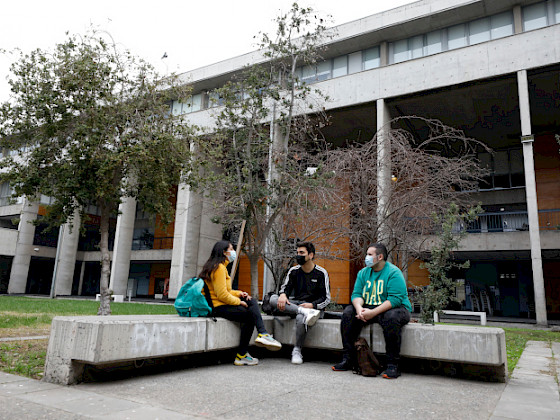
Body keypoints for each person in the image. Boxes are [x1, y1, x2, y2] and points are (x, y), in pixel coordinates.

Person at [332, 243, 411, 379]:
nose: (366, 258)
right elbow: (356, 295)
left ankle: (393, 365)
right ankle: (348, 359)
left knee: (391, 317)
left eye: (369, 255)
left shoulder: (393, 272)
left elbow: (395, 300)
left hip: (395, 309)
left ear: (380, 257)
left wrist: (373, 313)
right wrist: (359, 309)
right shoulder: (363, 273)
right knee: (348, 313)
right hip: (369, 307)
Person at [200, 240, 282, 366]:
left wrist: (239, 294)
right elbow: (222, 295)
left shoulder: (217, 266)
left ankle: (261, 335)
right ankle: (246, 350)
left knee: (250, 301)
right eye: (231, 249)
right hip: (217, 307)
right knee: (250, 314)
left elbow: (225, 291)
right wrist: (239, 302)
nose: (233, 252)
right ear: (224, 252)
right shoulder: (219, 268)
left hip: (219, 304)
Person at [269, 242, 331, 364]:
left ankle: (297, 350)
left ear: (311, 255)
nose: (298, 255)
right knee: (272, 299)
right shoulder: (294, 271)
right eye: (297, 253)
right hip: (297, 305)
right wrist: (282, 295)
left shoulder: (321, 273)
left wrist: (312, 305)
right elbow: (284, 289)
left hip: (314, 308)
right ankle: (302, 311)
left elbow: (326, 298)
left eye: (302, 253)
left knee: (300, 317)